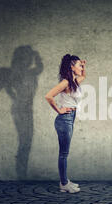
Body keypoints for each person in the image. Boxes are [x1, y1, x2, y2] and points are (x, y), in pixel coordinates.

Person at [45, 54, 86, 193]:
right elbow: (48, 96)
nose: (81, 67)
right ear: (71, 67)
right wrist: (59, 110)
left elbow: (83, 77)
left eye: (81, 65)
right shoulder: (66, 82)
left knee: (64, 153)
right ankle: (64, 184)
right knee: (63, 153)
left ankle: (65, 181)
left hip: (70, 118)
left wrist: (83, 67)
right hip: (65, 119)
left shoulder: (73, 81)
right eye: (79, 65)